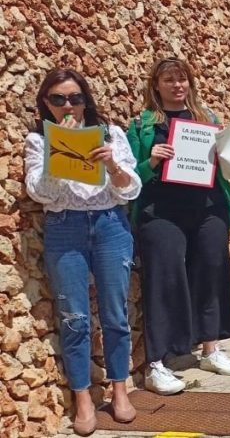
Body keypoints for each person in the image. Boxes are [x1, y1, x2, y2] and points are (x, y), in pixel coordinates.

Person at [24, 69, 141, 436]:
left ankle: (120, 390)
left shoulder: (111, 134)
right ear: (46, 104)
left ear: (85, 100)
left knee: (114, 311)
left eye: (74, 98)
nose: (68, 105)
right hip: (65, 226)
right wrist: (61, 154)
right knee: (74, 316)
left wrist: (111, 164)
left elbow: (131, 189)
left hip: (109, 223)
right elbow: (39, 193)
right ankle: (83, 399)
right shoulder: (37, 141)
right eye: (58, 99)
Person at [128, 57, 230, 396]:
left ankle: (211, 349)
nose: (178, 86)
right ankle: (157, 363)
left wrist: (226, 151)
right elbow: (127, 177)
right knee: (164, 278)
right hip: (161, 211)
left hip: (208, 208)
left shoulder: (206, 119)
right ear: (156, 86)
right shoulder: (143, 125)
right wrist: (151, 160)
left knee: (211, 270)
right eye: (169, 80)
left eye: (182, 80)